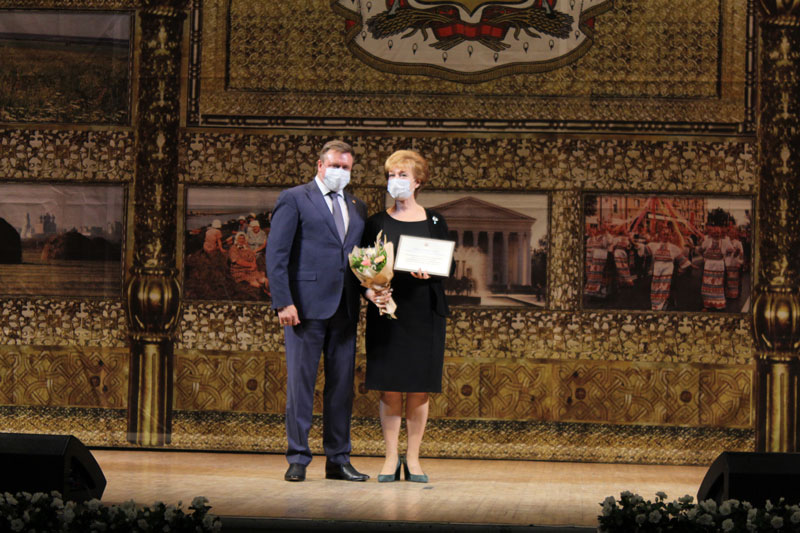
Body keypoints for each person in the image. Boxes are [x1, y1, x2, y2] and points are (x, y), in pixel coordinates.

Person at [265, 140, 368, 483]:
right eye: (335, 165)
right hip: (304, 308)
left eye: (346, 167)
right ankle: (297, 457)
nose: (340, 171)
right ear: (320, 165)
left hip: (345, 307)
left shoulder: (358, 205)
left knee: (341, 388)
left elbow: (359, 257)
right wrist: (283, 301)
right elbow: (276, 254)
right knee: (301, 386)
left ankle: (338, 460)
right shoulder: (294, 198)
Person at [362, 149, 452, 483]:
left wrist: (431, 272)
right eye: (391, 175)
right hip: (387, 313)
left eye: (402, 175)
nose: (395, 181)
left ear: (417, 182)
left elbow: (446, 264)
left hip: (424, 312)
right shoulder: (376, 222)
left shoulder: (435, 221)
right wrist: (370, 292)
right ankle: (390, 458)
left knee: (418, 388)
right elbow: (363, 270)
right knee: (389, 387)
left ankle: (413, 459)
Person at [642, 226, 691, 310]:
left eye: (667, 234)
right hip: (657, 273)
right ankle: (656, 306)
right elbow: (643, 250)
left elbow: (682, 260)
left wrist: (682, 269)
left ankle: (663, 306)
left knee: (665, 289)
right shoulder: (654, 245)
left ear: (670, 236)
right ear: (660, 235)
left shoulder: (674, 247)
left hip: (667, 273)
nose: (665, 236)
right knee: (655, 289)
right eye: (664, 234)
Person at [697, 225, 732, 311]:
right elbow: (700, 250)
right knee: (707, 285)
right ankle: (707, 304)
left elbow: (731, 250)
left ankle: (718, 303)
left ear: (720, 234)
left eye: (718, 233)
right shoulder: (707, 241)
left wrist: (725, 255)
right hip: (708, 266)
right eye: (715, 232)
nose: (717, 234)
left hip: (719, 266)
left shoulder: (725, 242)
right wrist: (705, 257)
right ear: (711, 233)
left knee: (718, 285)